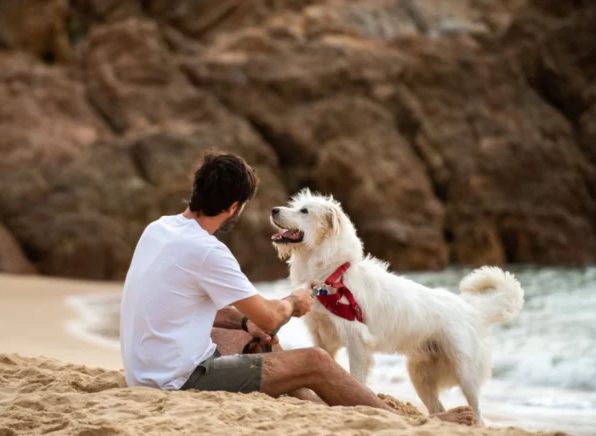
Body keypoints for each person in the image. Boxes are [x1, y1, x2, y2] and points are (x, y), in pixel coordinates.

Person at [120, 150, 474, 424]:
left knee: (254, 341)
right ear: (233, 207)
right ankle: (397, 421)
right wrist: (293, 301)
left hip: (143, 370)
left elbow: (195, 307)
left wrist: (246, 323)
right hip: (180, 380)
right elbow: (272, 317)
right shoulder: (208, 251)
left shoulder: (159, 229)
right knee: (315, 360)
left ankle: (321, 406)